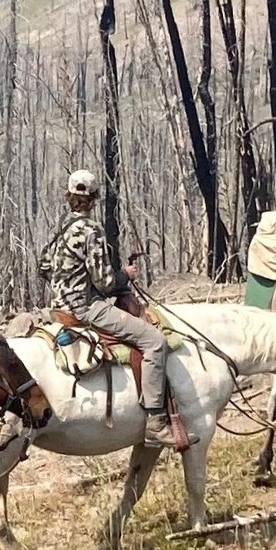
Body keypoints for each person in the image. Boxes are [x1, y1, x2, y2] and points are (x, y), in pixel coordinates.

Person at [37, 168, 190, 450]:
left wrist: (67, 282)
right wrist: (126, 275)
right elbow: (106, 282)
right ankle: (156, 422)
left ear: (68, 196)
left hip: (57, 308)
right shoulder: (90, 230)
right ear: (94, 198)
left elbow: (43, 267)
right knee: (154, 341)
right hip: (85, 309)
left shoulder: (60, 227)